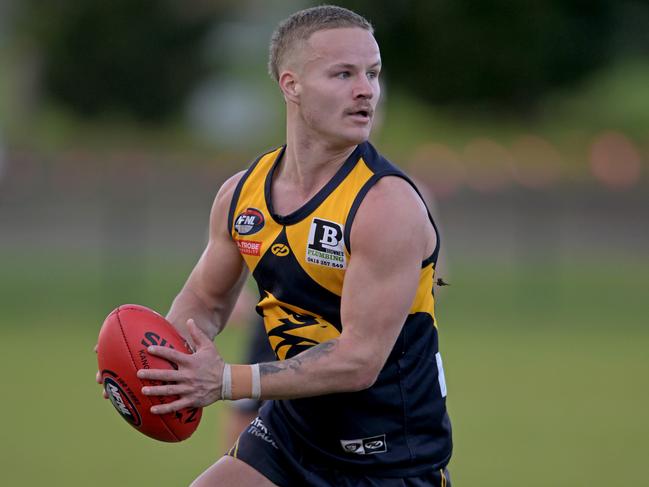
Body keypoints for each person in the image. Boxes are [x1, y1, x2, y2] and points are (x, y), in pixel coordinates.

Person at [103, 5, 453, 486]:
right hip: (291, 435)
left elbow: (359, 360)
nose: (365, 90)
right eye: (343, 74)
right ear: (292, 85)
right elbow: (204, 302)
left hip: (388, 455)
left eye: (371, 74)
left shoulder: (386, 206)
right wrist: (155, 366)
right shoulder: (242, 195)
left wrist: (224, 381)